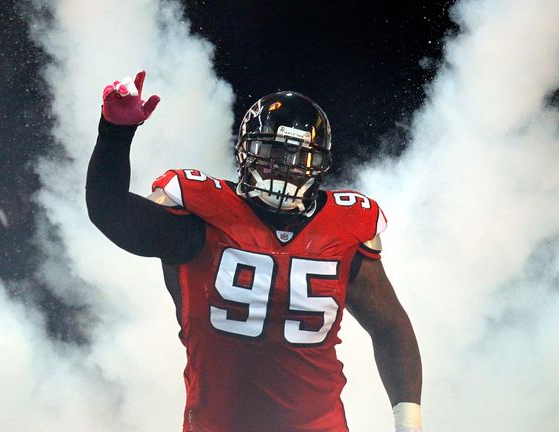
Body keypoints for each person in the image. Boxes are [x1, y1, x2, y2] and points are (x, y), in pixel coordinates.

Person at [86, 71, 423, 432]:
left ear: (319, 164)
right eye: (273, 154)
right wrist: (115, 134)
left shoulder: (344, 226)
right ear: (246, 152)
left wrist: (408, 423)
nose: (286, 170)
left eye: (300, 158)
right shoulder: (202, 214)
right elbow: (111, 213)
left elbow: (390, 328)